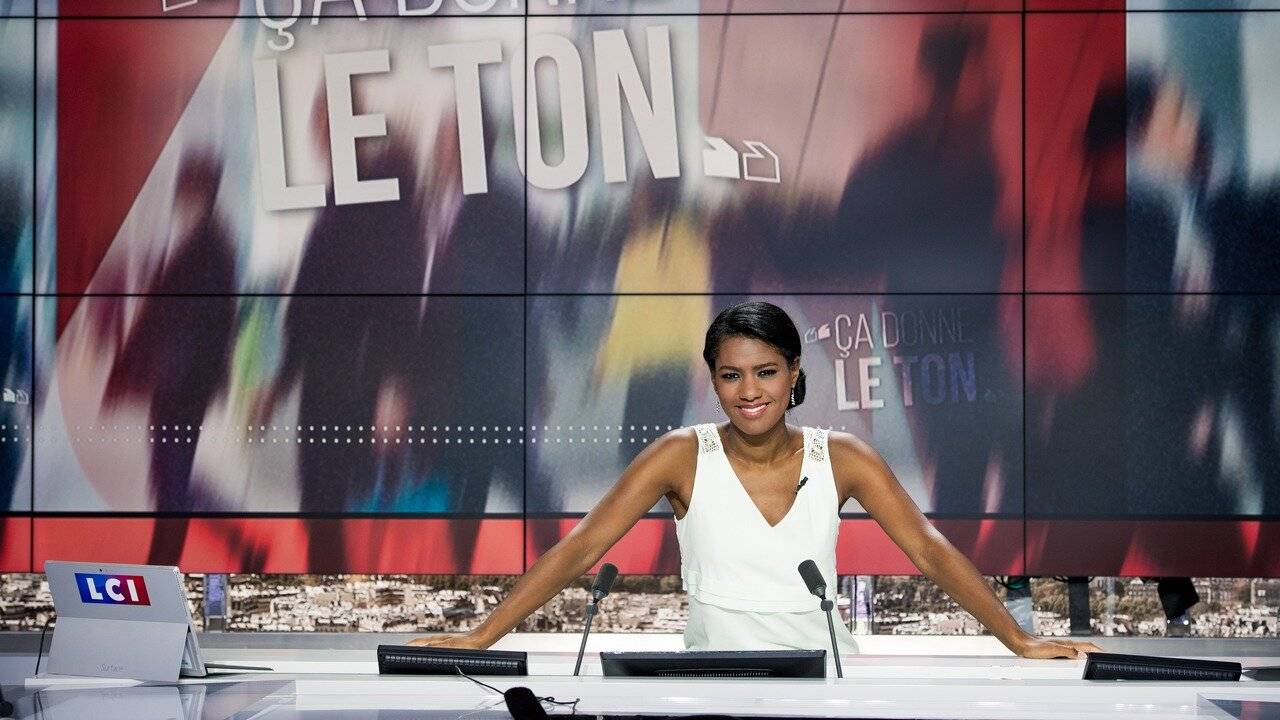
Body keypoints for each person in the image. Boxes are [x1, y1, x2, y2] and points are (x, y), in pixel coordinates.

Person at [410, 302, 1101, 659]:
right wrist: (482, 636)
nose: (749, 392)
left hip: (825, 678)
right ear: (711, 380)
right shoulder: (680, 454)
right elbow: (581, 547)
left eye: (766, 373)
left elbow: (929, 549)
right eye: (731, 375)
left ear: (794, 373)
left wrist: (1018, 639)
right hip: (710, 681)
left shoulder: (845, 456)